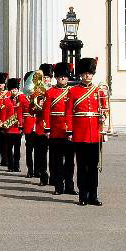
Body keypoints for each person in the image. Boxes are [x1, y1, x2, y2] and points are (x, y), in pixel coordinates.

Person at [65, 58, 109, 206]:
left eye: (89, 74)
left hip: (95, 133)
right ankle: (83, 195)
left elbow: (104, 109)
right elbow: (69, 113)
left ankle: (93, 195)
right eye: (84, 74)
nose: (87, 77)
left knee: (93, 166)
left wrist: (104, 116)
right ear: (80, 75)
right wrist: (69, 131)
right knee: (82, 166)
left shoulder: (98, 91)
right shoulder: (73, 91)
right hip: (80, 133)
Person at [44, 62, 73, 195]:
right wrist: (47, 129)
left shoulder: (72, 91)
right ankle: (58, 187)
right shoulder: (50, 92)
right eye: (61, 77)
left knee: (70, 162)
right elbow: (46, 111)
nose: (63, 79)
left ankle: (69, 186)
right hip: (55, 130)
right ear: (56, 78)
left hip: (69, 131)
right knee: (57, 162)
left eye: (65, 77)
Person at [33, 63, 54, 187]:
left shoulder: (55, 90)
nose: (46, 79)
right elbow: (32, 110)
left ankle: (53, 176)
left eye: (48, 77)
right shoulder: (37, 91)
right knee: (41, 154)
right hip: (41, 125)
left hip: (54, 126)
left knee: (53, 155)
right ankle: (43, 176)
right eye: (44, 77)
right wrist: (37, 106)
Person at [4, 78, 25, 172]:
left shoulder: (21, 99)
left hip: (17, 128)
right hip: (9, 127)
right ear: (10, 90)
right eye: (12, 89)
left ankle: (16, 166)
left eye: (15, 89)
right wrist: (3, 125)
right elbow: (3, 113)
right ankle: (10, 165)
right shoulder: (6, 101)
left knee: (17, 149)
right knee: (9, 149)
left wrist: (22, 125)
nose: (14, 91)